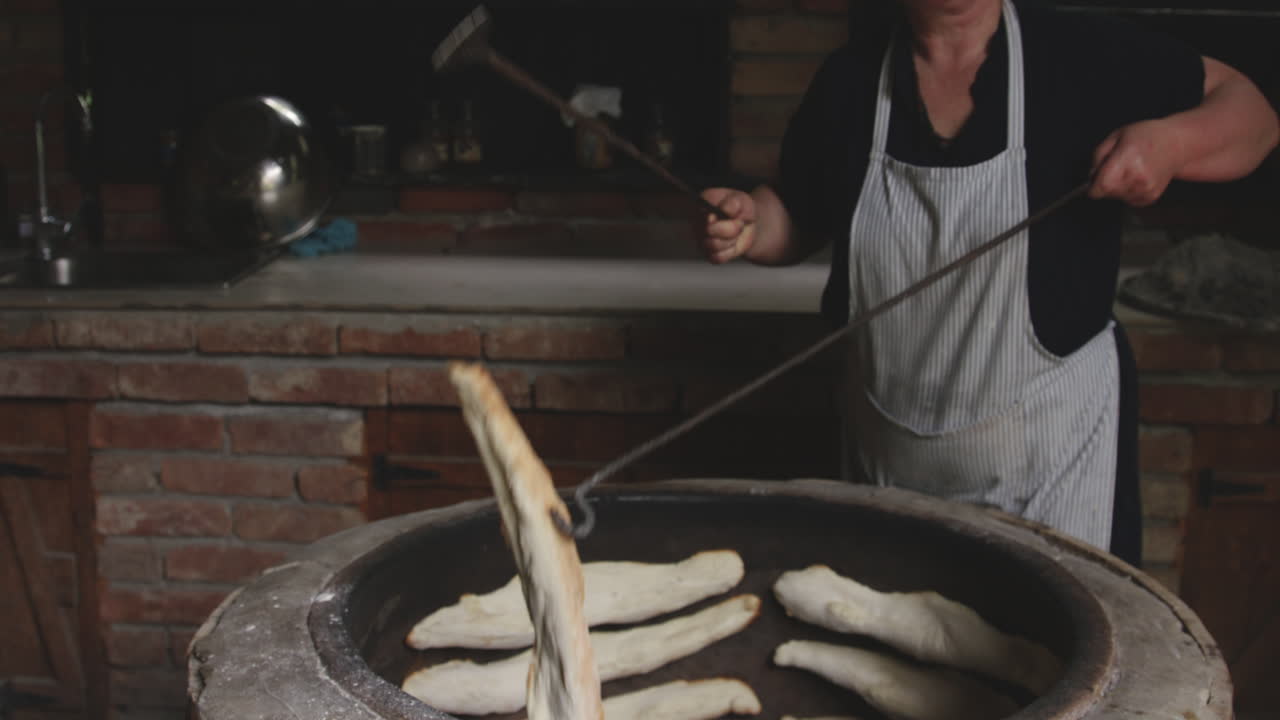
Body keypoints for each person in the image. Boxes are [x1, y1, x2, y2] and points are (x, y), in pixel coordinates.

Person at [699, 0, 1278, 563]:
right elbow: (798, 215)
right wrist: (751, 224)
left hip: (1052, 473)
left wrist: (1173, 144)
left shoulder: (1084, 55)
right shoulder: (850, 78)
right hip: (889, 468)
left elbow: (1254, 118)